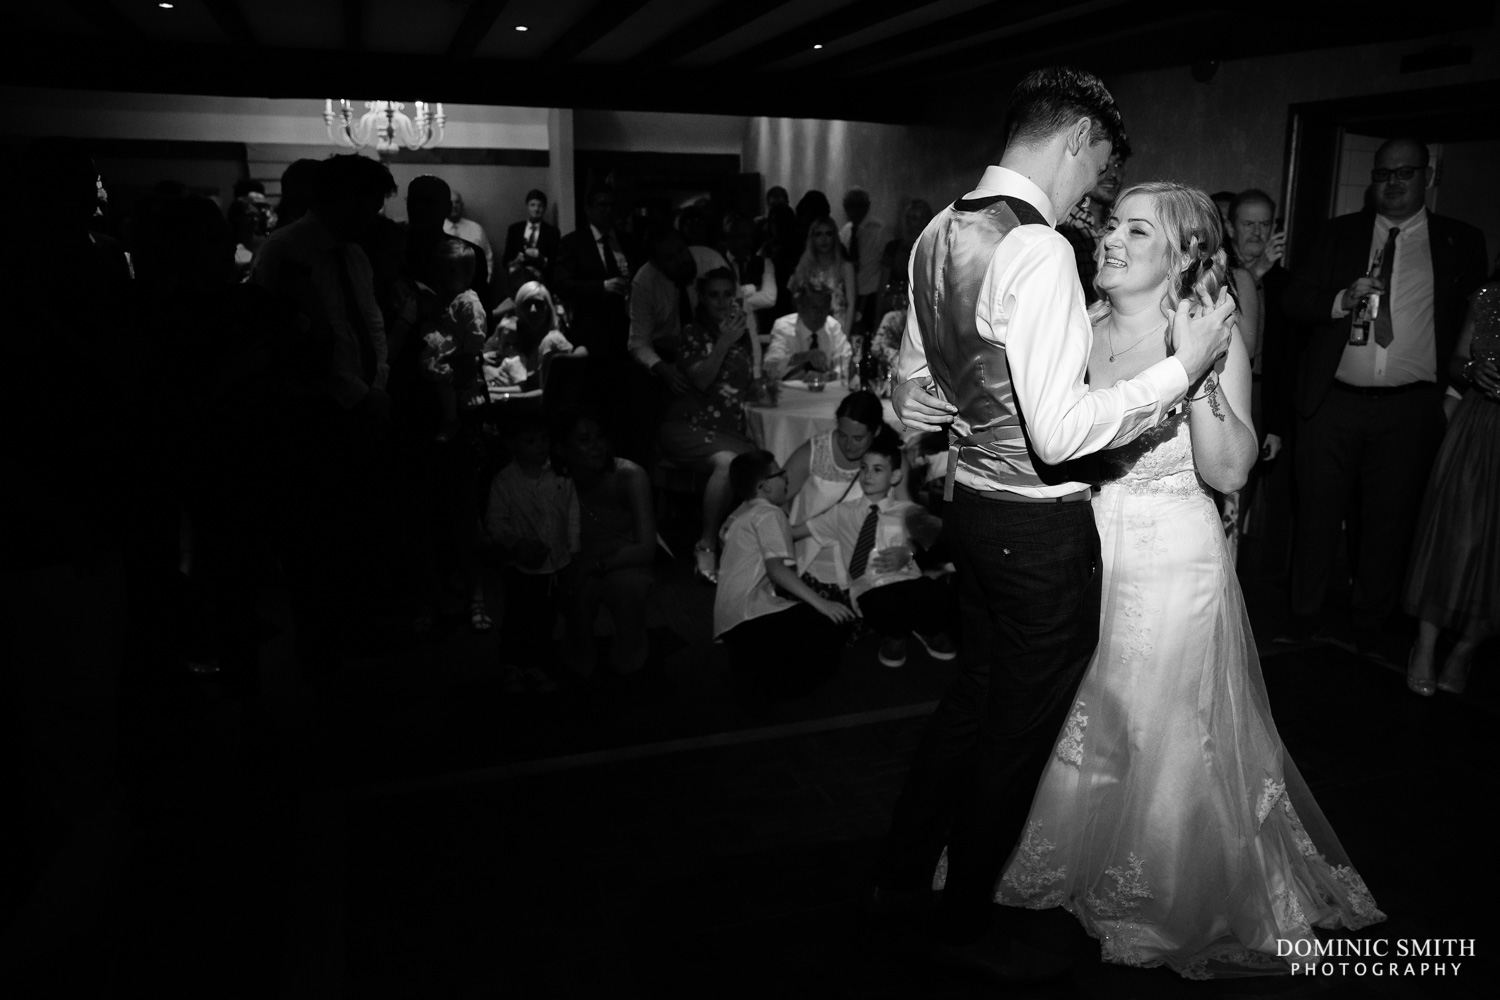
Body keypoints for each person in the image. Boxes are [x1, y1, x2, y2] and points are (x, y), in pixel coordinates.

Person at [937, 182, 1382, 977]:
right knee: (1084, 716)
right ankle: (1067, 857)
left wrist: (1199, 364)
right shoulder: (1077, 326)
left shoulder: (1216, 334)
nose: (1110, 238)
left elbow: (1230, 469)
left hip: (1174, 559)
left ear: (1179, 257)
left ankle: (1163, 887)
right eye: (1111, 223)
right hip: (1079, 548)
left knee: (1161, 729)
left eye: (1136, 230)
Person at [869, 66, 1235, 975]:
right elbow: (1063, 433)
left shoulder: (936, 234)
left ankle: (901, 875)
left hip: (971, 512)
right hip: (1036, 531)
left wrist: (954, 420)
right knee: (1016, 730)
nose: (1094, 200)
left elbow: (912, 395)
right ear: (1076, 140)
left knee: (970, 703)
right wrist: (1179, 372)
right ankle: (961, 918)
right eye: (1100, 169)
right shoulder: (1036, 251)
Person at [1281, 137, 1487, 660]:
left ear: (1427, 177)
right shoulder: (1337, 234)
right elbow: (1294, 299)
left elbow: (1475, 326)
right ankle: (1303, 614)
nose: (1392, 184)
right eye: (1383, 174)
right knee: (1318, 514)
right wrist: (1339, 300)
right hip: (1334, 402)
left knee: (1389, 520)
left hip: (1409, 407)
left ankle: (1371, 620)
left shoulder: (1459, 241)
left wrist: (1454, 393)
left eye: (1405, 173)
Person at [1403, 258, 1500, 696]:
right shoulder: (1489, 296)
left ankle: (1465, 649)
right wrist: (1471, 370)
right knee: (1457, 536)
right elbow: (1458, 360)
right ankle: (1424, 646)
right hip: (1481, 428)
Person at [793, 429, 953, 669]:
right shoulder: (842, 513)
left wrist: (909, 551)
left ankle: (924, 628)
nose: (868, 475)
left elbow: (940, 536)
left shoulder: (907, 511)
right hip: (871, 589)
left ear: (895, 476)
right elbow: (797, 531)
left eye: (878, 469)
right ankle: (898, 633)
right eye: (864, 468)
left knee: (933, 592)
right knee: (882, 601)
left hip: (907, 583)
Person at [714, 450, 855, 700]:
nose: (786, 479)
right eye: (779, 474)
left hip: (727, 617)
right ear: (763, 486)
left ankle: (754, 662)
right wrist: (822, 604)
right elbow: (776, 568)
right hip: (750, 613)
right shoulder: (769, 514)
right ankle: (767, 686)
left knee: (801, 623)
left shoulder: (738, 517)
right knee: (832, 629)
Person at [657, 268, 760, 585]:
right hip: (688, 426)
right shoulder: (693, 334)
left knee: (764, 462)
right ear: (701, 298)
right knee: (731, 464)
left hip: (726, 431)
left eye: (727, 294)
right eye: (714, 294)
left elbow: (745, 385)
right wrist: (723, 342)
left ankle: (739, 537)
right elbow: (701, 380)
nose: (721, 301)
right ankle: (707, 544)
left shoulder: (741, 335)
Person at [484, 413, 577, 694]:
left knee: (544, 618)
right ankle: (513, 666)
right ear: (512, 444)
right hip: (520, 565)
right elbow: (495, 521)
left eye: (544, 438)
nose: (541, 445)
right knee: (517, 616)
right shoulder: (505, 481)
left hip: (553, 563)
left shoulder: (561, 475)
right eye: (531, 440)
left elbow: (572, 513)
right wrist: (516, 544)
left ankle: (536, 664)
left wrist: (573, 550)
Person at [556, 411, 654, 677]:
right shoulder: (554, 481)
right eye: (585, 439)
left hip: (624, 556)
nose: (597, 445)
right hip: (576, 556)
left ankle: (630, 656)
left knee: (625, 586)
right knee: (575, 589)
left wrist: (597, 564)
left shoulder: (630, 475)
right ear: (562, 448)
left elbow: (646, 547)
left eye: (600, 436)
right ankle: (580, 656)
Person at [784, 389, 886, 603]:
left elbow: (909, 517)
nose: (848, 445)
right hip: (810, 569)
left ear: (875, 431)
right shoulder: (816, 450)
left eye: (858, 438)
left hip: (867, 575)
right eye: (842, 435)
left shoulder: (888, 459)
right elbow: (776, 495)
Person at [418, 239, 487, 442]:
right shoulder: (444, 295)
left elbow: (476, 332)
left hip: (456, 354)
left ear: (467, 275)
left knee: (445, 381)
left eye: (451, 271)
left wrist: (469, 356)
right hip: (443, 346)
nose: (444, 277)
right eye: (441, 271)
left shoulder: (468, 302)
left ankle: (451, 419)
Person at [1059, 144, 1130, 303]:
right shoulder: (1064, 224)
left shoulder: (1123, 228)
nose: (1112, 174)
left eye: (1118, 165)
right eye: (1104, 166)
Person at [485, 280, 580, 398]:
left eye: (539, 304)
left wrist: (502, 396)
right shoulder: (509, 330)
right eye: (527, 304)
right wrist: (490, 370)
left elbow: (547, 394)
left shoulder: (552, 341)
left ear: (548, 309)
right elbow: (486, 359)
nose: (533, 310)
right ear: (518, 307)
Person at [762, 280, 850, 381]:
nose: (820, 312)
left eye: (824, 307)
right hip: (792, 393)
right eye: (814, 307)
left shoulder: (833, 327)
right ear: (800, 307)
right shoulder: (783, 327)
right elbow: (770, 367)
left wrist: (831, 375)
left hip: (827, 392)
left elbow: (847, 361)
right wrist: (802, 357)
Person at [791, 216, 857, 336]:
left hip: (838, 327)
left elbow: (851, 304)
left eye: (828, 234)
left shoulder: (845, 267)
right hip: (810, 328)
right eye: (818, 234)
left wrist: (845, 337)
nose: (824, 239)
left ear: (834, 237)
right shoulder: (804, 267)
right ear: (812, 238)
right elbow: (797, 300)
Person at [877, 199, 933, 318]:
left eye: (922, 217)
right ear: (907, 222)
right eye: (914, 218)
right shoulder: (893, 248)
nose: (918, 223)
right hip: (896, 311)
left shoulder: (936, 248)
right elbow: (882, 288)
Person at [841, 187, 884, 337]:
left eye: (859, 205)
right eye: (850, 206)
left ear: (867, 205)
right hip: (849, 295)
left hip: (870, 296)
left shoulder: (880, 230)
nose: (854, 210)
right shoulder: (846, 231)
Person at [501, 188, 561, 288]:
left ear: (544, 208)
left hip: (543, 283)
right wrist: (515, 261)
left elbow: (556, 264)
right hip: (517, 283)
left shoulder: (552, 232)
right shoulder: (514, 230)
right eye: (532, 205)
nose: (536, 209)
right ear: (527, 206)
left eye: (540, 206)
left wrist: (542, 258)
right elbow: (505, 261)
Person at [444, 189, 494, 265]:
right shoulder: (434, 229)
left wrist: (486, 276)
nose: (454, 206)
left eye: (457, 202)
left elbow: (487, 258)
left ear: (462, 205)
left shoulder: (476, 229)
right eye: (450, 202)